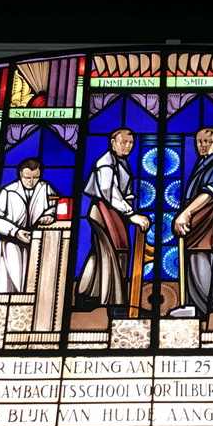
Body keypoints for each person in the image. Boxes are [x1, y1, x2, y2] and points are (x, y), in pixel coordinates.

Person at [76, 127, 151, 308]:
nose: (128, 146)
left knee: (101, 254)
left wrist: (129, 204)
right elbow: (108, 191)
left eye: (131, 143)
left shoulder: (120, 161)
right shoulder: (106, 163)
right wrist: (132, 214)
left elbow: (121, 191)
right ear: (113, 142)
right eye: (123, 142)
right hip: (104, 212)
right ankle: (112, 302)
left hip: (114, 211)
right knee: (111, 254)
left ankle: (88, 295)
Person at [172, 126, 213, 317]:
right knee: (205, 257)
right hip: (199, 211)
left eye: (207, 142)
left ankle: (200, 308)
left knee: (200, 255)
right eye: (199, 142)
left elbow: (208, 193)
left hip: (207, 212)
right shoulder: (204, 161)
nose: (203, 146)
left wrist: (185, 213)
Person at [0, 158, 59, 293]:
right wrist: (15, 231)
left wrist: (49, 215)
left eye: (36, 178)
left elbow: (55, 206)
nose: (31, 182)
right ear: (20, 174)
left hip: (38, 240)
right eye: (27, 178)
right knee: (12, 277)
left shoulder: (46, 188)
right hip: (11, 241)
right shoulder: (8, 191)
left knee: (35, 278)